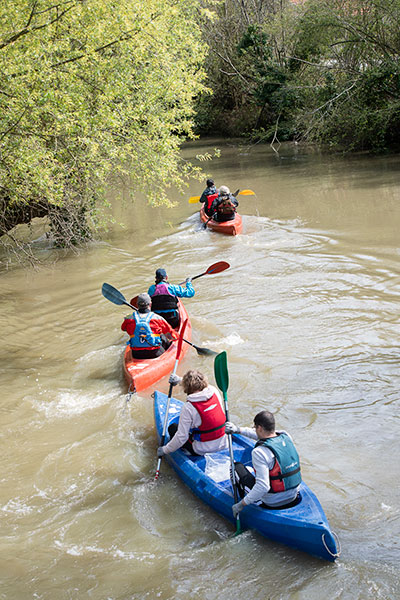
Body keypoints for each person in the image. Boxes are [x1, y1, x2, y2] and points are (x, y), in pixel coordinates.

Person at [225, 410, 302, 517]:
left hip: (272, 502)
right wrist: (238, 430)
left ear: (259, 428)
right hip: (293, 495)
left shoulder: (259, 452)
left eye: (255, 427)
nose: (255, 430)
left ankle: (242, 501)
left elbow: (263, 487)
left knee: (236, 467)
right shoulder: (286, 436)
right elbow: (266, 436)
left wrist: (241, 504)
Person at [157, 370, 228, 457]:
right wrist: (179, 380)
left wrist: (165, 450)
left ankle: (189, 452)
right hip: (224, 443)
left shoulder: (188, 407)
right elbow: (196, 384)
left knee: (173, 428)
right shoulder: (214, 391)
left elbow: (181, 437)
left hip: (202, 450)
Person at [121, 293, 178, 359]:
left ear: (137, 305)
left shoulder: (129, 318)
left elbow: (123, 329)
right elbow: (171, 336)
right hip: (154, 352)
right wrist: (176, 337)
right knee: (162, 336)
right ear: (150, 304)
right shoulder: (158, 318)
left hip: (136, 354)